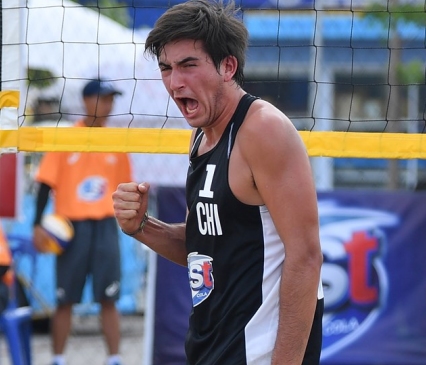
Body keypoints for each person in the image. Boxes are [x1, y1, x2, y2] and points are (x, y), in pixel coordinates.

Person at [111, 1, 324, 364]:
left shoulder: (262, 130)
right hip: (214, 344)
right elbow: (204, 247)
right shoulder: (204, 135)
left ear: (228, 66)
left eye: (188, 65)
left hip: (259, 350)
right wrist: (142, 227)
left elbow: (306, 257)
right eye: (166, 68)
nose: (176, 82)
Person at [32, 79, 132, 365]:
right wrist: (36, 224)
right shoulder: (67, 138)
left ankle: (114, 358)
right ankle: (58, 358)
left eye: (112, 99)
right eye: (103, 98)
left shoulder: (118, 140)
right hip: (70, 227)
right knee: (65, 299)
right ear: (87, 101)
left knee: (109, 297)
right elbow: (43, 184)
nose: (109, 105)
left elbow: (126, 188)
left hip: (104, 226)